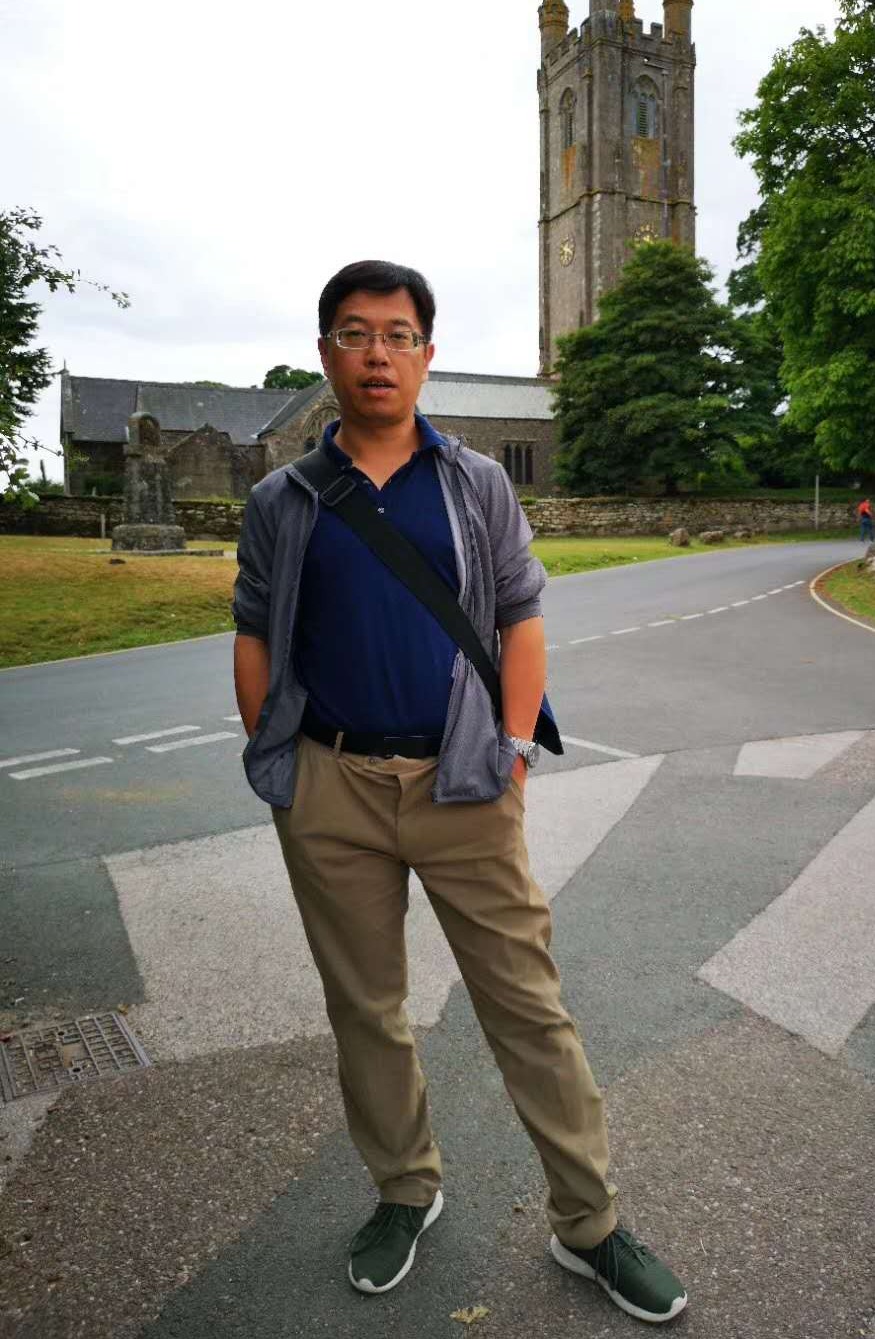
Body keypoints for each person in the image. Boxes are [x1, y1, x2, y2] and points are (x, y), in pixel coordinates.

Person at [232, 260, 687, 1325]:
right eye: (354, 333)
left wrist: (514, 751)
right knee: (366, 1008)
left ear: (426, 355)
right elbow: (254, 628)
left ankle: (588, 1224)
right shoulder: (280, 499)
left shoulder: (477, 482)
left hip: (467, 779)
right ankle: (405, 1189)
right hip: (331, 788)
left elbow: (520, 615)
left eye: (397, 334)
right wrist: (282, 763)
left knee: (527, 1005)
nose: (376, 353)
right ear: (326, 353)